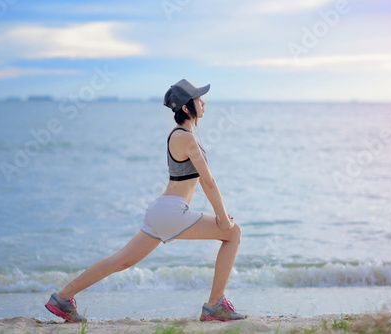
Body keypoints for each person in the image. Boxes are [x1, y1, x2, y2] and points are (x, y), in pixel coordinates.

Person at [44, 79, 246, 322]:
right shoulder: (187, 138)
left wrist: (220, 216)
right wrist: (223, 218)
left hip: (161, 210)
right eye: (197, 99)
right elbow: (209, 182)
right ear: (185, 108)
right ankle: (215, 305)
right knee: (233, 233)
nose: (203, 102)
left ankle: (63, 298)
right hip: (171, 212)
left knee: (120, 261)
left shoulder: (179, 135)